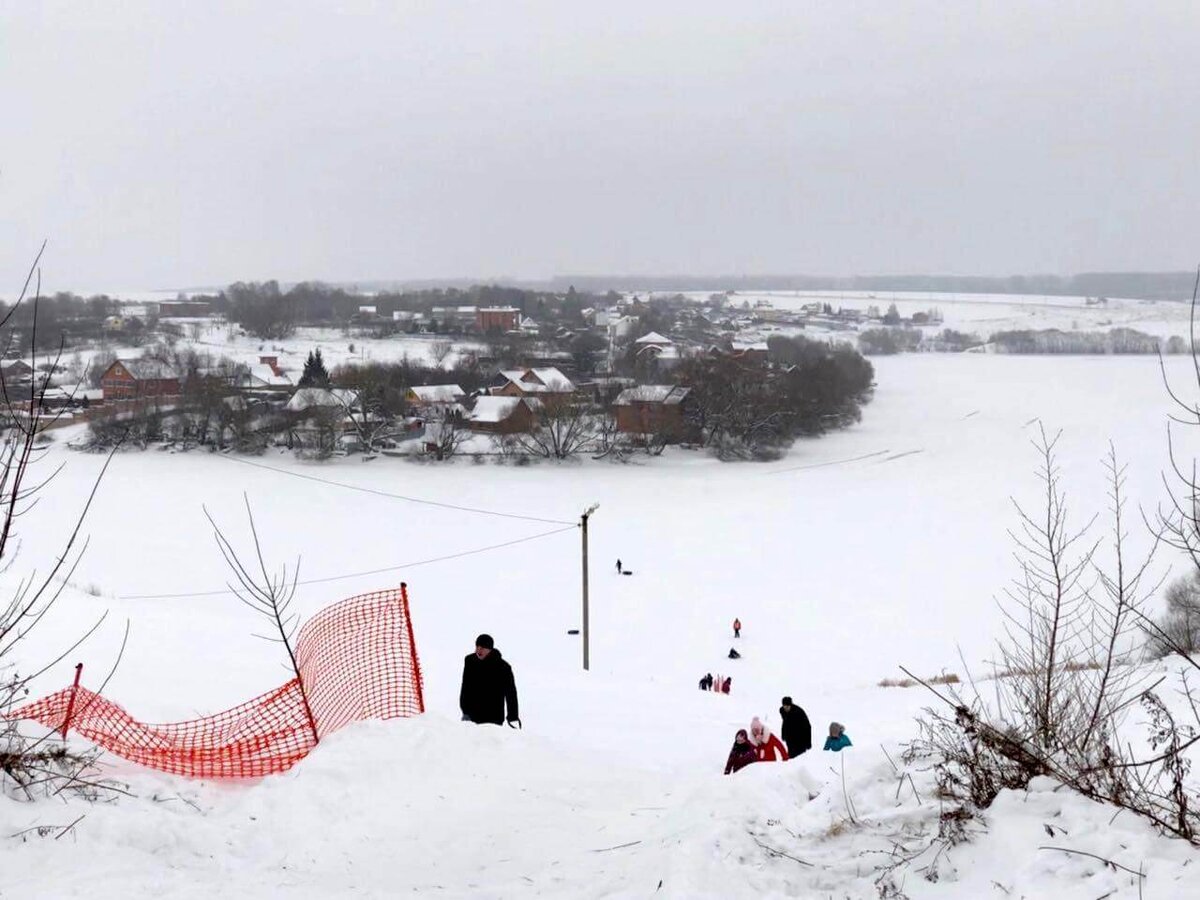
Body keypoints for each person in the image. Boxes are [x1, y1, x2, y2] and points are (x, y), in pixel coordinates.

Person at [459, 634, 520, 727]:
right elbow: (465, 687)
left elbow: (511, 694)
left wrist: (513, 717)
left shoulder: (503, 667)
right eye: (477, 647)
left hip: (493, 719)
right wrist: (465, 711)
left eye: (482, 648)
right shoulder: (470, 661)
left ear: (489, 649)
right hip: (471, 717)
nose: (478, 651)